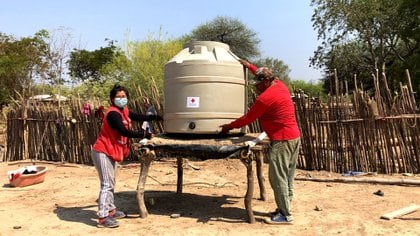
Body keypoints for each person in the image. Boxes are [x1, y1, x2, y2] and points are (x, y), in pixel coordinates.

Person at [220, 60, 301, 224]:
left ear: (266, 81)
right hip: (294, 137)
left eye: (258, 83)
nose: (256, 86)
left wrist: (228, 127)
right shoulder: (279, 85)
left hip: (282, 140)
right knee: (287, 176)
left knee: (277, 178)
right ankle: (284, 207)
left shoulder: (265, 98)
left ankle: (285, 215)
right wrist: (249, 66)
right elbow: (260, 72)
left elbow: (248, 118)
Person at [91, 84, 162, 228]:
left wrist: (155, 117)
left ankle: (110, 211)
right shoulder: (113, 114)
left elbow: (138, 116)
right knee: (106, 184)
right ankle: (103, 218)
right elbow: (124, 131)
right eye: (118, 97)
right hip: (102, 151)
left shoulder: (123, 111)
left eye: (124, 96)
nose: (121, 99)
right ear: (112, 99)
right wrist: (144, 134)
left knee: (110, 182)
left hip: (110, 150)